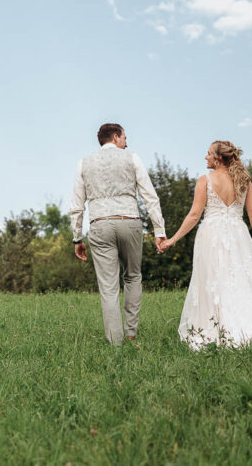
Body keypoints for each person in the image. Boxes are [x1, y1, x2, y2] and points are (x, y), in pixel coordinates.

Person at [158, 140, 252, 351]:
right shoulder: (244, 181)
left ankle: (214, 329)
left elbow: (194, 216)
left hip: (211, 236)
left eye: (209, 153)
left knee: (212, 281)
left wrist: (172, 240)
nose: (206, 157)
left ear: (218, 158)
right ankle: (250, 329)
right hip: (239, 235)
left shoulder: (205, 180)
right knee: (242, 280)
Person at [70, 123, 167, 345]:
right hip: (129, 222)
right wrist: (159, 230)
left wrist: (77, 237)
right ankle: (131, 334)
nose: (126, 142)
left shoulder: (83, 163)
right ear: (115, 137)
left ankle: (115, 342)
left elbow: (76, 205)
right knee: (133, 276)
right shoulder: (132, 158)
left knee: (108, 286)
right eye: (124, 137)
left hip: (100, 224)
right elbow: (150, 196)